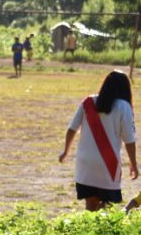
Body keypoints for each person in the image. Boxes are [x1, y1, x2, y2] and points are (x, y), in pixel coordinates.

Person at [59, 70, 138, 211]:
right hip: (108, 163)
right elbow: (129, 140)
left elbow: (72, 129)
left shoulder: (88, 102)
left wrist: (65, 152)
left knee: (90, 205)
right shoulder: (124, 107)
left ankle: (88, 223)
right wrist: (133, 164)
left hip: (85, 161)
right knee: (107, 204)